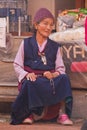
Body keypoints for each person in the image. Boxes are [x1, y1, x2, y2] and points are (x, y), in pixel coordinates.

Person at [10, 8, 73, 125]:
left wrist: (53, 74)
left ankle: (61, 114)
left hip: (49, 80)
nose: (48, 28)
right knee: (29, 82)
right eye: (45, 24)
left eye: (51, 25)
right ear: (36, 25)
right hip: (33, 80)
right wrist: (27, 74)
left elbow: (61, 69)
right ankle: (30, 113)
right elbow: (17, 65)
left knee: (64, 79)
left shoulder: (55, 47)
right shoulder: (26, 43)